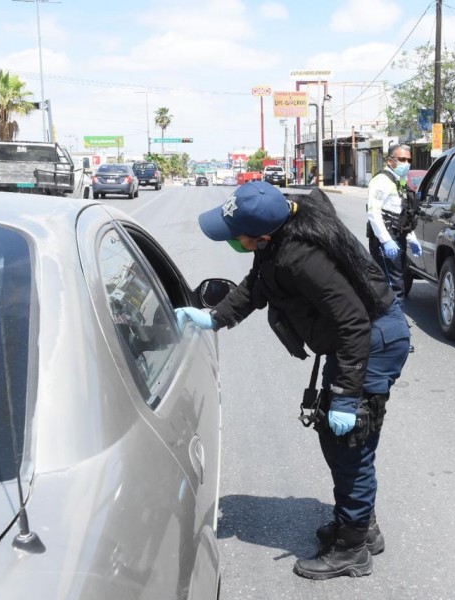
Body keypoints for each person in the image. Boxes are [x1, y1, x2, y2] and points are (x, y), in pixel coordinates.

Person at [175, 181, 411, 580]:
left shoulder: (301, 257)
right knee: (339, 442)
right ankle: (361, 527)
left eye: (236, 236)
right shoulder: (278, 238)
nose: (231, 240)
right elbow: (257, 283)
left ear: (262, 234)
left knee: (349, 445)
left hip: (372, 341)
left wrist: (346, 396)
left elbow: (353, 323)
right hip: (356, 339)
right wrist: (215, 318)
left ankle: (353, 549)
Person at [366, 144, 422, 300]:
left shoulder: (400, 182)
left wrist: (411, 238)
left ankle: (394, 321)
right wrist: (386, 241)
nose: (406, 163)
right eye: (401, 159)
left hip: (399, 236)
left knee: (398, 283)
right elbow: (373, 212)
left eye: (408, 160)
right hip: (386, 238)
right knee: (392, 285)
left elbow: (403, 215)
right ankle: (394, 322)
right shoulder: (382, 181)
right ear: (390, 161)